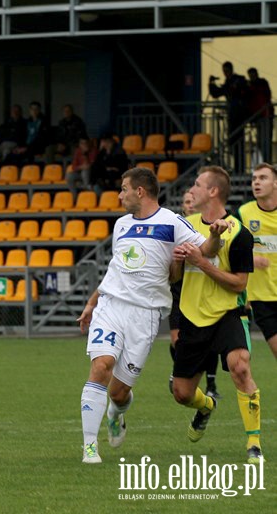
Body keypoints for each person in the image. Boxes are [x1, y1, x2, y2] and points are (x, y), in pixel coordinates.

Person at [76, 167, 223, 464]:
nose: (119, 195)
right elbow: (115, 270)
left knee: (118, 393)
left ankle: (116, 413)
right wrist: (92, 303)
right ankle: (89, 447)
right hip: (111, 307)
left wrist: (215, 236)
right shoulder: (121, 225)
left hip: (145, 315)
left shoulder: (172, 222)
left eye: (123, 188)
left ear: (139, 191)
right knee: (101, 366)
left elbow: (206, 250)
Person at [171, 166, 262, 464]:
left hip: (227, 314)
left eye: (197, 184)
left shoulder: (239, 233)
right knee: (182, 393)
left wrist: (203, 262)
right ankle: (207, 406)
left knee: (240, 368)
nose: (191, 190)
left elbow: (239, 284)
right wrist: (177, 262)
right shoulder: (183, 225)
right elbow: (174, 277)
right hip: (192, 317)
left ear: (213, 191)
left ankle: (253, 445)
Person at [167, 191, 219, 398]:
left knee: (209, 343)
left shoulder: (208, 229)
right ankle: (180, 372)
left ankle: (211, 383)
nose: (189, 205)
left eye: (192, 201)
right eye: (186, 202)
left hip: (203, 293)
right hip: (178, 293)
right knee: (176, 340)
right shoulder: (178, 228)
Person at [238, 163, 277, 362]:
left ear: (275, 183)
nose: (257, 182)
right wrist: (250, 258)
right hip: (262, 298)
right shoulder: (244, 213)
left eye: (263, 178)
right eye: (254, 179)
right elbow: (229, 248)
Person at [208, 62, 249, 171]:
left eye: (226, 71)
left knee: (237, 141)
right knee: (233, 142)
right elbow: (216, 93)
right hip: (233, 116)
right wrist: (211, 84)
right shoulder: (230, 83)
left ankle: (240, 168)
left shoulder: (239, 80)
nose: (225, 73)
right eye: (224, 71)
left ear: (231, 69)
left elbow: (231, 90)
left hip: (238, 116)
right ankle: (238, 168)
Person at [0, 105, 27, 177]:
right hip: (2, 145)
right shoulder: (7, 122)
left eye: (17, 111)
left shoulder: (23, 123)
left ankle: (2, 172)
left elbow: (23, 136)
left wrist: (21, 146)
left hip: (14, 145)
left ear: (20, 112)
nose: (15, 113)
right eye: (13, 111)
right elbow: (1, 132)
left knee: (6, 152)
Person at [247, 68, 273, 163]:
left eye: (253, 75)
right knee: (261, 141)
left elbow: (265, 94)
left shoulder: (262, 83)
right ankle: (264, 161)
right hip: (258, 116)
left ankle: (267, 161)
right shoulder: (250, 86)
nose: (252, 77)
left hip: (265, 115)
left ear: (256, 74)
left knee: (266, 140)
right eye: (250, 76)